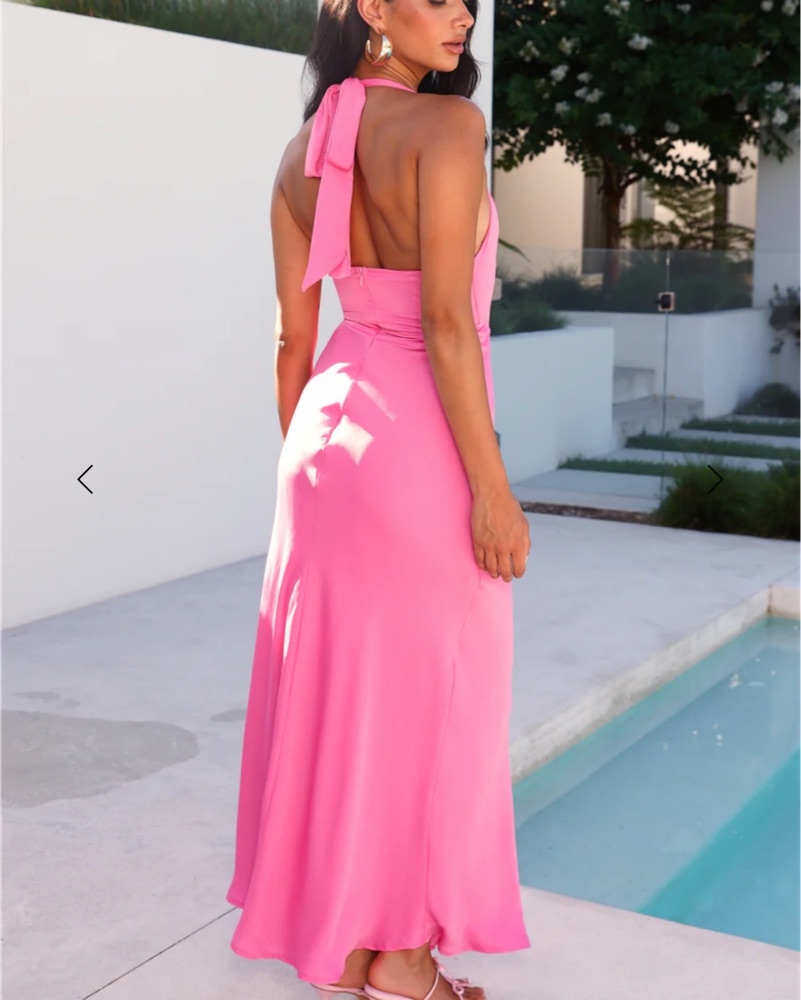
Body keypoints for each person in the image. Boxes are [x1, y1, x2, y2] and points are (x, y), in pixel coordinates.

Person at [225, 1, 533, 998]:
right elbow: (444, 322)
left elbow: (291, 341)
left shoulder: (297, 154)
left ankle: (347, 937)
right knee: (442, 701)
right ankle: (401, 956)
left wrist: (319, 481)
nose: (462, 15)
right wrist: (492, 491)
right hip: (416, 439)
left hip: (323, 440)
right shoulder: (448, 126)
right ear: (369, 7)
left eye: (465, 0)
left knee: (344, 698)